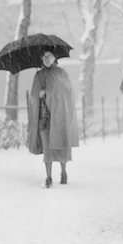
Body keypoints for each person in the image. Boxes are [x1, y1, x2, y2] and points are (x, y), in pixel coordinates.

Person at [28, 49, 79, 188]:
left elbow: (67, 94)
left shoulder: (62, 74)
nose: (46, 58)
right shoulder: (38, 75)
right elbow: (33, 96)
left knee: (61, 144)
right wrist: (38, 94)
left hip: (59, 117)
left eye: (49, 56)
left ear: (54, 57)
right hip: (44, 117)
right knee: (47, 147)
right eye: (44, 56)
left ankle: (63, 173)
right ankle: (48, 177)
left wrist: (49, 92)